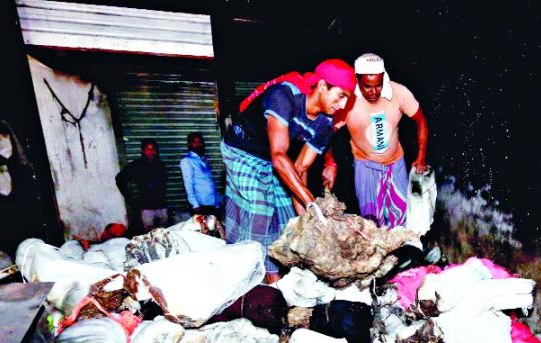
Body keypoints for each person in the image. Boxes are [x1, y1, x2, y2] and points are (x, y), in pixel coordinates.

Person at [222, 58, 355, 283]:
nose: (342, 105)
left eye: (347, 99)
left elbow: (301, 168)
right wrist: (313, 204)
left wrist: (308, 219)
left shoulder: (324, 123)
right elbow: (279, 156)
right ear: (322, 86)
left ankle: (275, 277)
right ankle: (245, 280)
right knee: (259, 210)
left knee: (287, 217)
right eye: (341, 95)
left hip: (270, 158)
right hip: (242, 151)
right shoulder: (284, 96)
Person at [328, 53, 429, 228]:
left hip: (395, 163)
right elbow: (325, 132)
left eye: (378, 86)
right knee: (371, 223)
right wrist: (330, 162)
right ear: (358, 80)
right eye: (367, 86)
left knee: (404, 219)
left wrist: (421, 156)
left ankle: (404, 254)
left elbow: (421, 120)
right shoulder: (347, 100)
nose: (374, 92)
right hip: (365, 166)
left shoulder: (398, 92)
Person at [115, 139, 168, 234]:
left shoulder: (160, 165)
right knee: (149, 236)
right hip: (146, 209)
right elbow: (119, 179)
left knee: (164, 234)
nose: (151, 152)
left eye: (153, 149)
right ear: (142, 151)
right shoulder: (137, 166)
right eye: (148, 149)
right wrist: (131, 200)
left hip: (162, 207)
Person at [180, 132, 221, 218]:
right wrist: (195, 205)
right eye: (195, 142)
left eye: (200, 142)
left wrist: (217, 202)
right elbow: (188, 184)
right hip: (200, 206)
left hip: (212, 204)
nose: (198, 144)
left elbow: (210, 182)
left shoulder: (202, 159)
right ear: (189, 144)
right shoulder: (187, 161)